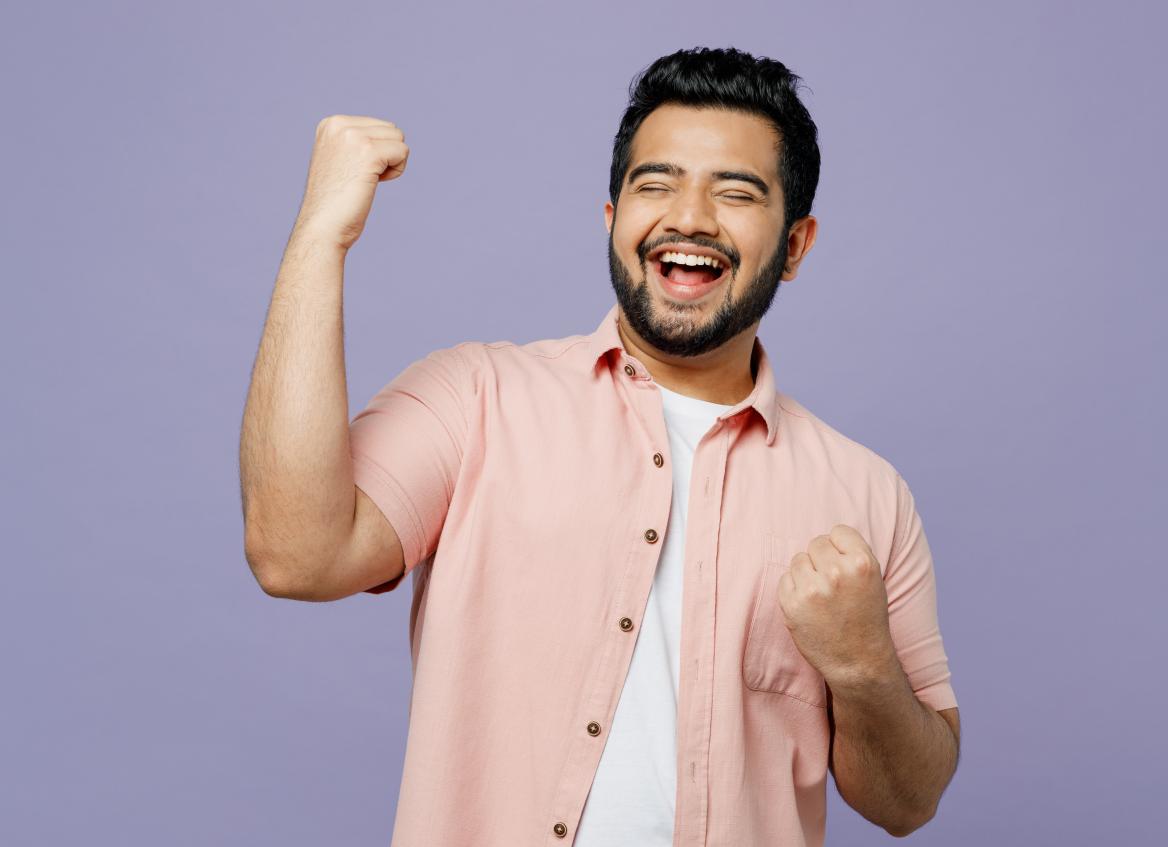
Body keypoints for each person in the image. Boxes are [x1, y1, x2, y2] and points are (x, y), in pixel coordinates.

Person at [239, 46, 960, 847]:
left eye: (736, 191)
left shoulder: (867, 494)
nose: (688, 216)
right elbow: (294, 554)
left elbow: (910, 800)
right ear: (613, 220)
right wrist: (319, 238)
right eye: (655, 184)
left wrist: (863, 667)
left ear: (795, 244)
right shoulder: (476, 398)